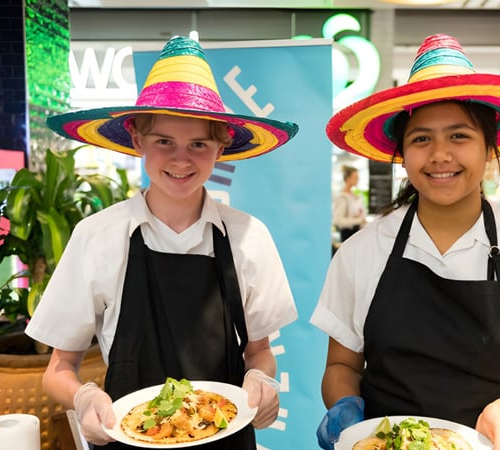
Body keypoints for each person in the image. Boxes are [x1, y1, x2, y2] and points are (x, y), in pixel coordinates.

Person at [310, 34, 500, 450]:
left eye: (459, 136)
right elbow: (342, 364)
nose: (440, 155)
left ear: (489, 149)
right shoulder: (361, 252)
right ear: (402, 154)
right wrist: (347, 405)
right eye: (421, 139)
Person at [25, 35, 299, 450]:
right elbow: (59, 367)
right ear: (137, 140)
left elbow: (259, 350)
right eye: (164, 142)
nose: (181, 159)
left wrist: (261, 380)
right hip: (129, 437)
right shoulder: (97, 236)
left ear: (221, 147)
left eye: (199, 145)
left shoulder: (248, 236)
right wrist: (84, 396)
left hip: (226, 439)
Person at [332, 165, 367, 242]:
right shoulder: (342, 197)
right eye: (355, 177)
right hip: (347, 235)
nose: (358, 179)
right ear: (347, 179)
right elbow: (338, 220)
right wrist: (359, 220)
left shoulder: (354, 195)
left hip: (356, 233)